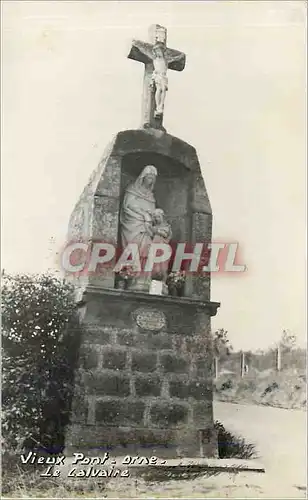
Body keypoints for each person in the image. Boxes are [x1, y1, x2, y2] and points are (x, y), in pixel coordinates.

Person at [119, 165, 157, 286]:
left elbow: (153, 210)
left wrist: (149, 216)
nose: (151, 181)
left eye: (153, 178)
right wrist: (143, 215)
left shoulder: (151, 195)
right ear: (143, 177)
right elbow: (128, 205)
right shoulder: (132, 189)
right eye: (149, 177)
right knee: (134, 248)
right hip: (133, 224)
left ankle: (143, 277)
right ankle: (132, 275)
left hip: (147, 228)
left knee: (147, 248)